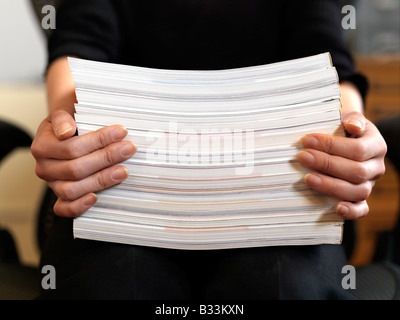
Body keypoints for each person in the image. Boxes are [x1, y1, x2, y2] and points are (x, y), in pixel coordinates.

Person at [31, 0, 387, 300]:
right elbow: (77, 49)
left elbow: (328, 58)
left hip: (280, 195)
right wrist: (64, 129)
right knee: (115, 283)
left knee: (285, 284)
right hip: (121, 194)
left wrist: (352, 131)